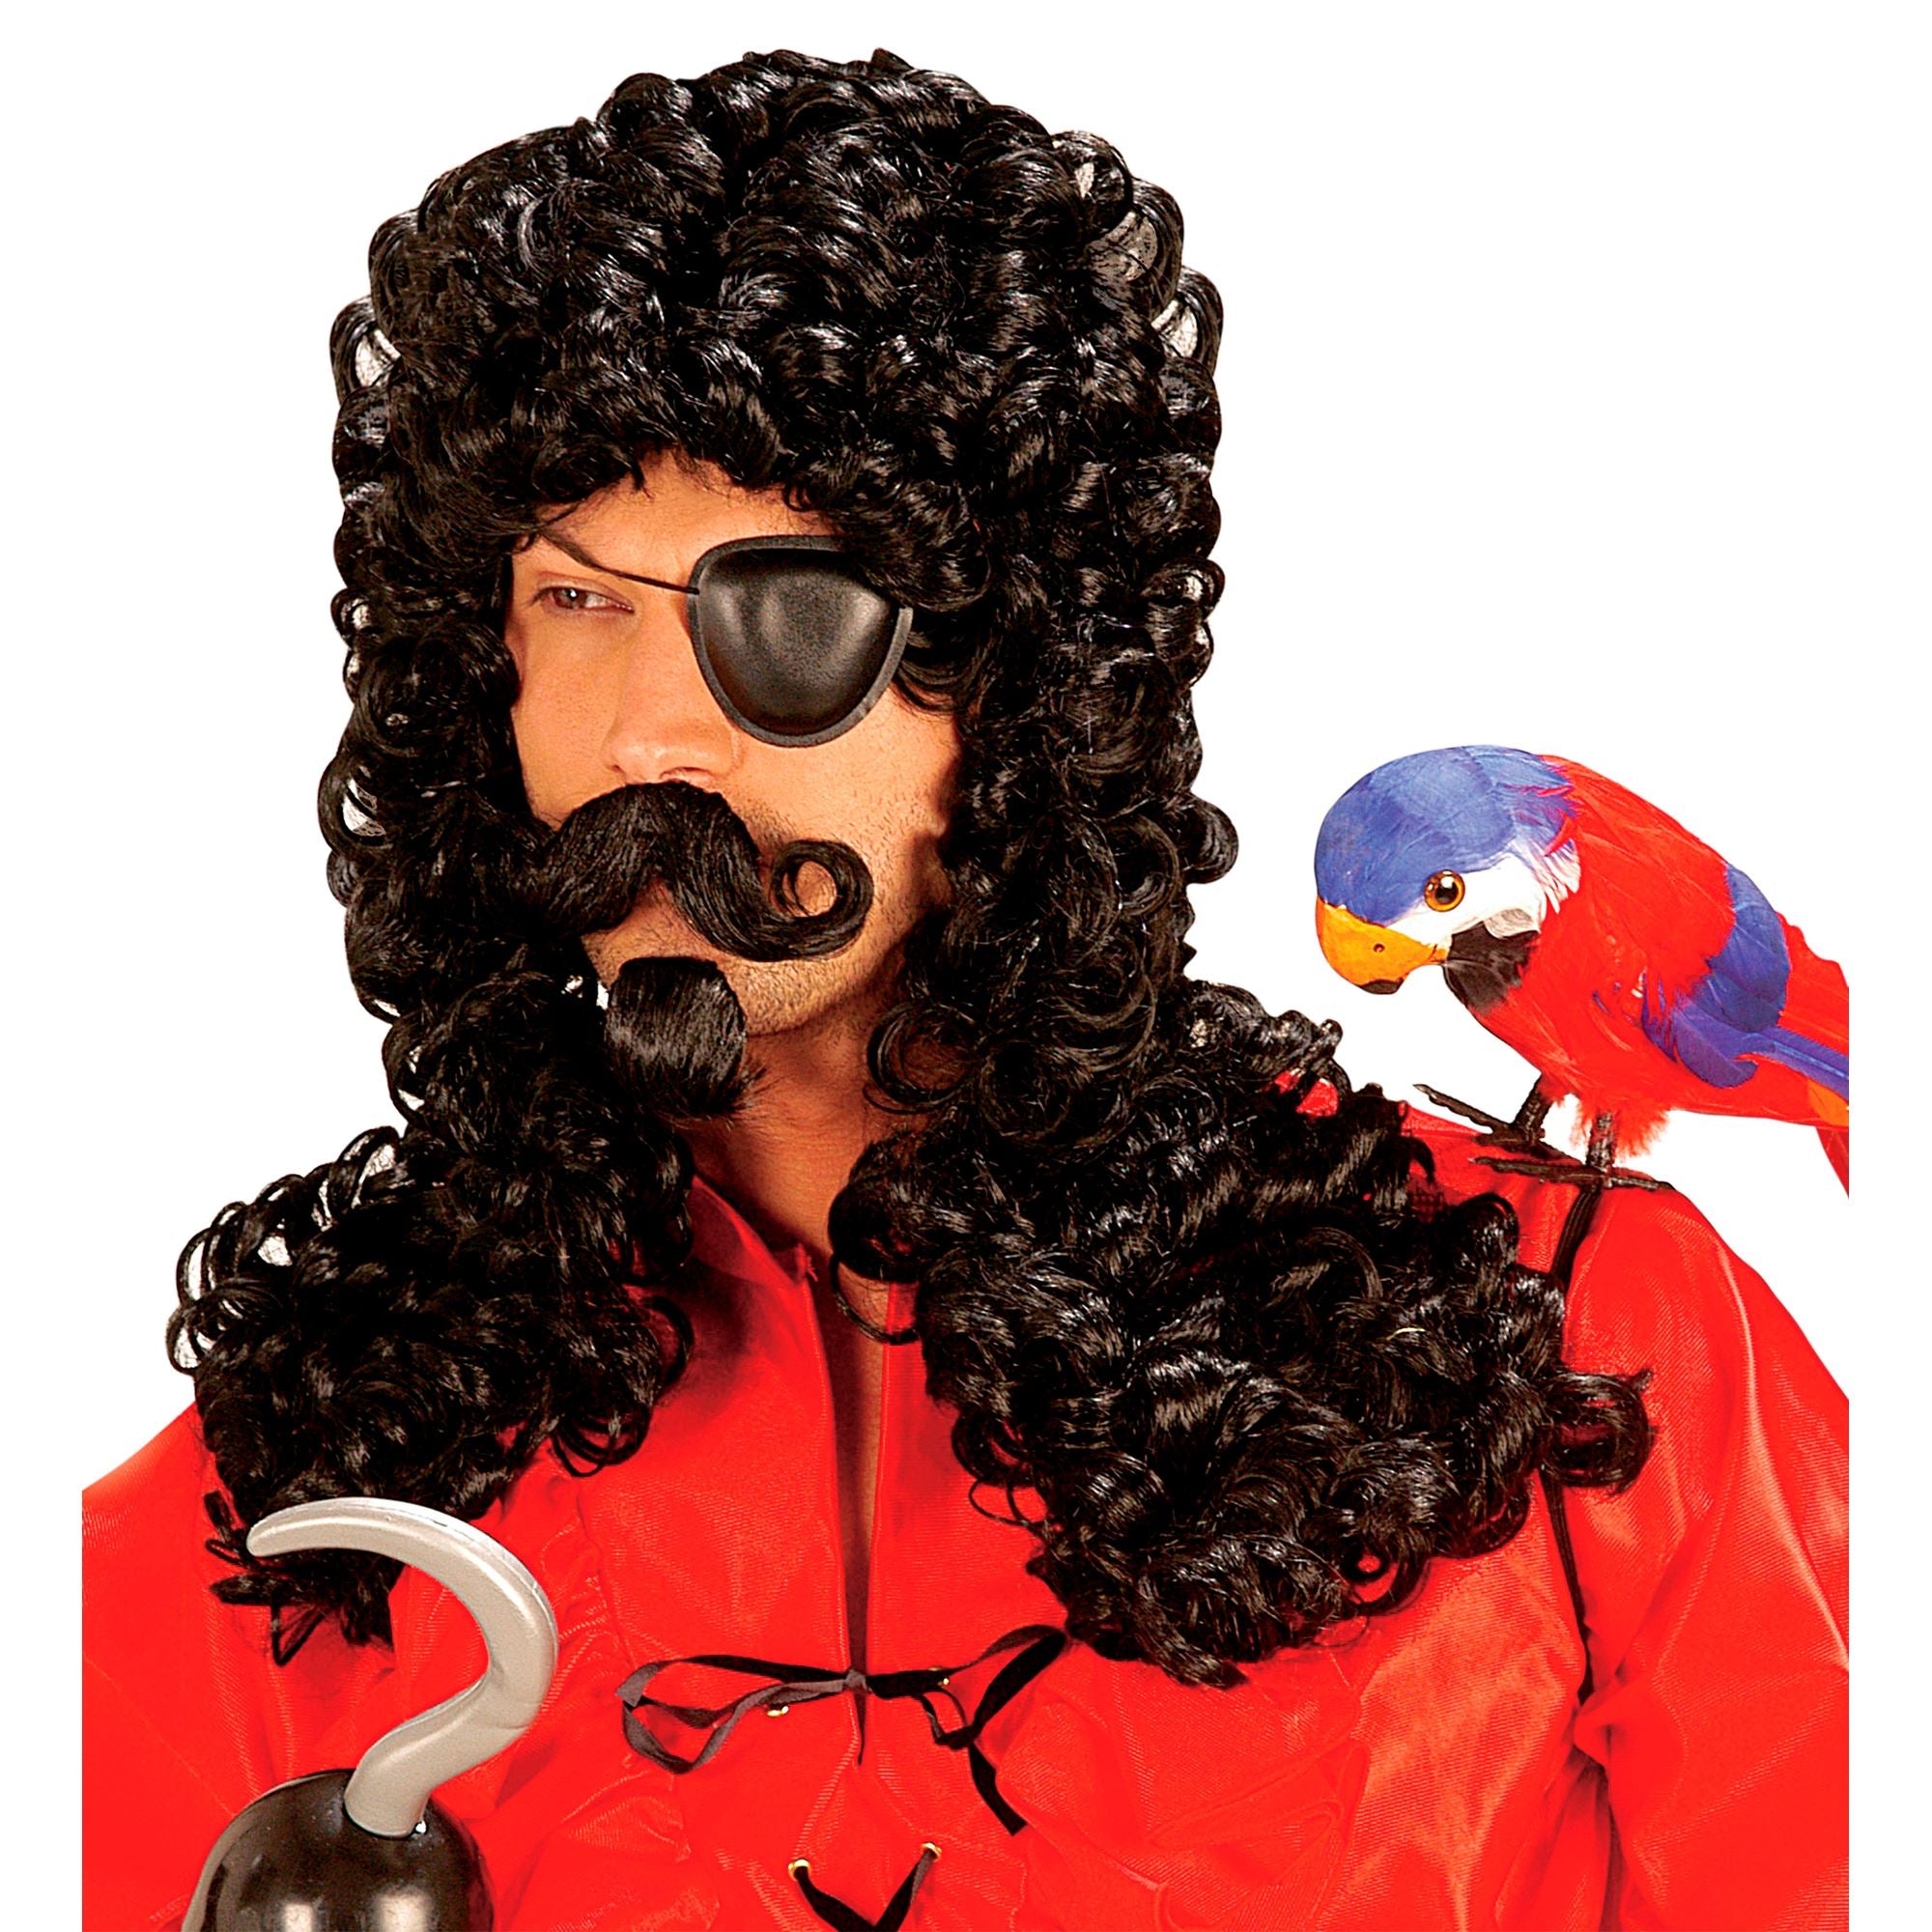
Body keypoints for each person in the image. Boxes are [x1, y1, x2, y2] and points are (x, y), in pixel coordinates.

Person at [82, 48, 1846, 1931]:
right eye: (576, 602)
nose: (646, 735)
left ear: (1023, 693)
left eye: (791, 610)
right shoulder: (285, 1503)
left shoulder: (1581, 1361)